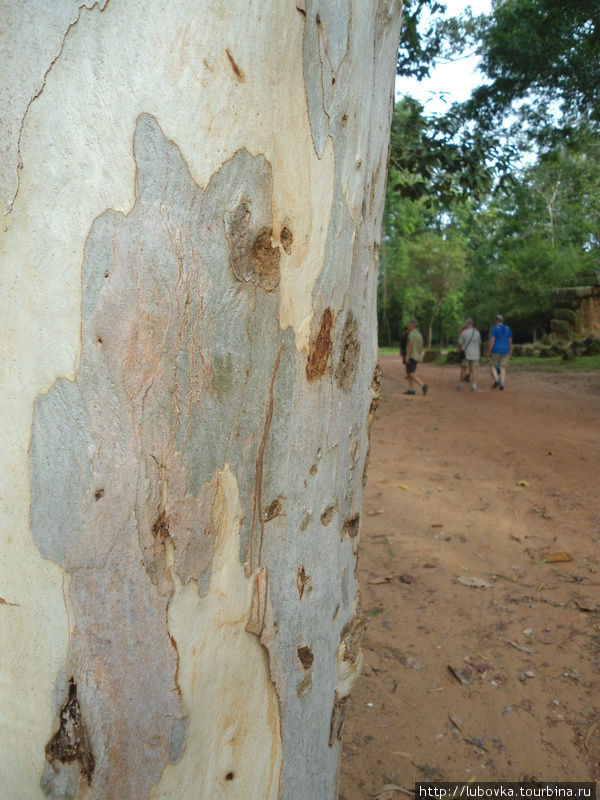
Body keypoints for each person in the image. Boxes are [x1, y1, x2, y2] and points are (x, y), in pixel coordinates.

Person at [488, 314, 513, 390]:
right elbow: (510, 341)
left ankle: (496, 379)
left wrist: (489, 351)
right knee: (503, 367)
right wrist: (510, 350)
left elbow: (492, 340)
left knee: (492, 365)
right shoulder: (508, 328)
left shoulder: (495, 328)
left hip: (496, 349)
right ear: (502, 320)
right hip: (505, 349)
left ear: (496, 321)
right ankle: (502, 384)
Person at [404, 319, 428, 396]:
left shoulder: (411, 334)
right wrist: (420, 355)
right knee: (409, 372)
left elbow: (410, 345)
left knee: (410, 373)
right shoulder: (419, 334)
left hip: (411, 356)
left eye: (409, 325)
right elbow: (421, 346)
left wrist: (407, 356)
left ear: (413, 325)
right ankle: (411, 389)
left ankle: (422, 385)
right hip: (416, 356)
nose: (408, 326)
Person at [457, 318, 482, 391]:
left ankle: (460, 384)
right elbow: (479, 343)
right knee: (474, 369)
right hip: (476, 353)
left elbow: (460, 343)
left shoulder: (463, 332)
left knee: (463, 369)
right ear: (472, 324)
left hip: (466, 353)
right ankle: (474, 385)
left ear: (466, 324)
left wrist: (459, 350)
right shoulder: (477, 333)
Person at [456, 320, 469, 389]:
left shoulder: (462, 330)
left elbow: (460, 340)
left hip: (464, 350)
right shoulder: (473, 330)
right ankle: (468, 376)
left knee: (463, 366)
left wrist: (459, 348)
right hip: (471, 351)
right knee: (470, 365)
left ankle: (462, 382)